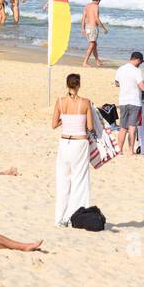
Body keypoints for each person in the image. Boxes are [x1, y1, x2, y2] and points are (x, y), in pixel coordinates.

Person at [53, 72, 93, 226]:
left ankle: (59, 218)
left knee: (63, 181)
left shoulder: (60, 102)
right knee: (80, 181)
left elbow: (54, 124)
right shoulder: (85, 102)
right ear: (79, 85)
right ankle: (73, 217)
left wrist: (66, 119)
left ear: (67, 85)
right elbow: (90, 127)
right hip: (80, 142)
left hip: (65, 142)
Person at [114, 51, 144, 155]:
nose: (140, 64)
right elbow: (142, 87)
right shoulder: (137, 71)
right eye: (140, 62)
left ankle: (119, 150)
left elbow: (116, 83)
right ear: (137, 59)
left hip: (123, 101)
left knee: (122, 128)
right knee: (132, 128)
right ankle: (131, 150)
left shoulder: (121, 69)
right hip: (135, 102)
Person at [81, 0, 107, 67]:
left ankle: (97, 61)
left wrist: (82, 28)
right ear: (98, 0)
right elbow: (96, 18)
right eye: (99, 2)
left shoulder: (87, 6)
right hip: (93, 27)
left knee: (94, 44)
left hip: (87, 27)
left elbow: (83, 18)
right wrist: (103, 28)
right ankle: (85, 62)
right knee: (92, 45)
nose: (99, 3)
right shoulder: (96, 6)